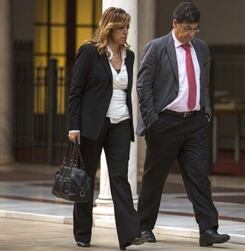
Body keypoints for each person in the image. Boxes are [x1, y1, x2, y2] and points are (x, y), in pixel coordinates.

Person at [136, 2, 230, 247]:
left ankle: (208, 230)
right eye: (187, 28)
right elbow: (143, 87)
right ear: (174, 24)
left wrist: (206, 112)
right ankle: (144, 227)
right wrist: (152, 121)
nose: (191, 34)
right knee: (154, 177)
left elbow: (204, 83)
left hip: (195, 123)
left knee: (199, 177)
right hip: (164, 123)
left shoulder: (201, 48)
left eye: (195, 29)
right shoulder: (156, 48)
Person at [67, 7, 146, 250]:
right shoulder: (90, 52)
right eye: (121, 28)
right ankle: (82, 233)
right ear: (109, 28)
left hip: (121, 123)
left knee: (120, 178)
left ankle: (130, 235)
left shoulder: (129, 56)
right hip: (92, 125)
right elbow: (75, 91)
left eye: (127, 28)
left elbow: (124, 91)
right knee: (86, 179)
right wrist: (73, 126)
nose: (126, 32)